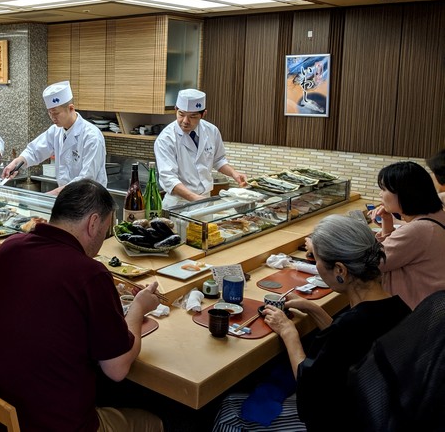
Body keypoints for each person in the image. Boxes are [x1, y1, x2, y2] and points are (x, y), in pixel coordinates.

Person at [0, 179, 163, 432]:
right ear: (93, 223)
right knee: (154, 422)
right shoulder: (90, 274)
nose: (101, 242)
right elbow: (117, 369)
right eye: (106, 230)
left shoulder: (9, 248)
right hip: (51, 425)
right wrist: (139, 308)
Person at [216, 215, 411, 431]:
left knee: (229, 412)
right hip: (383, 413)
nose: (316, 266)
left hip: (341, 420)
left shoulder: (347, 328)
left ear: (340, 270)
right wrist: (314, 310)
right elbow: (349, 348)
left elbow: (309, 395)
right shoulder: (399, 308)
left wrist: (288, 332)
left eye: (316, 260)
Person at [1, 81, 107, 194]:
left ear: (71, 108)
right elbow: (34, 151)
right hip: (67, 197)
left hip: (90, 199)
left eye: (56, 113)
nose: (52, 118)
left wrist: (52, 194)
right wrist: (16, 162)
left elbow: (86, 179)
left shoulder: (91, 136)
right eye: (50, 113)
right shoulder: (56, 131)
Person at [369, 161, 445, 309]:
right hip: (433, 312)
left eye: (384, 189)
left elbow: (374, 263)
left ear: (405, 193)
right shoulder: (438, 215)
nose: (380, 194)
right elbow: (395, 253)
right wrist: (387, 222)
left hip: (416, 317)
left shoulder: (418, 230)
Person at [153, 89, 247, 208]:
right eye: (181, 114)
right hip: (179, 203)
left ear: (203, 114)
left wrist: (234, 174)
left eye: (193, 116)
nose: (185, 121)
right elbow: (168, 179)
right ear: (176, 110)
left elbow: (218, 160)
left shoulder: (211, 131)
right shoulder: (165, 139)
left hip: (204, 199)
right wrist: (195, 198)